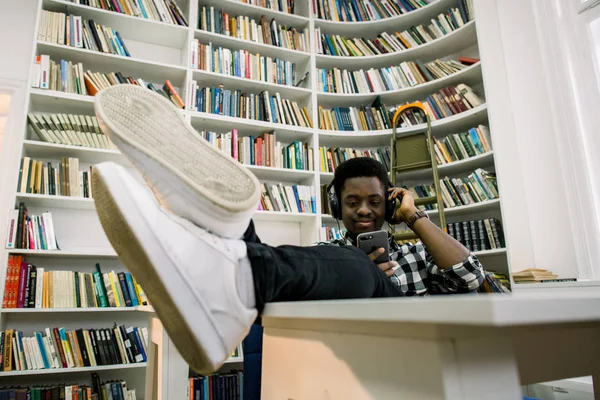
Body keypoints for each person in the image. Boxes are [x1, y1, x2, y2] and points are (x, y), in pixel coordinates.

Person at [91, 85, 484, 375]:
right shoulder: (324, 255)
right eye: (352, 202)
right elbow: (278, 317)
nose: (364, 210)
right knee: (335, 265)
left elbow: (471, 275)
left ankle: (232, 251)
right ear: (336, 206)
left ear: (390, 204)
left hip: (410, 347)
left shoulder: (418, 254)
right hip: (349, 353)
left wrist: (415, 218)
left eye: (375, 202)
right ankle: (235, 245)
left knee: (355, 268)